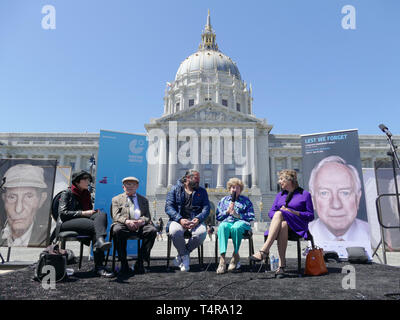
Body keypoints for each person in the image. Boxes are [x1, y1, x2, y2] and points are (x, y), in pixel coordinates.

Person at [250, 170, 314, 278]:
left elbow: (310, 215)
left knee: (280, 213)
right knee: (283, 223)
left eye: (281, 179)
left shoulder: (305, 194)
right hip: (283, 226)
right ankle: (281, 266)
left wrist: (292, 212)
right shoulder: (280, 195)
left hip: (297, 226)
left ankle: (264, 250)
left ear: (290, 180)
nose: (279, 182)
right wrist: (280, 214)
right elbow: (270, 212)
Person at [58, 170, 113, 277]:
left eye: (88, 179)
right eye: (85, 179)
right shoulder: (67, 193)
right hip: (66, 222)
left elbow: (89, 211)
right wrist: (83, 213)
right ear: (77, 182)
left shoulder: (86, 193)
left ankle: (100, 241)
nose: (88, 182)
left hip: (82, 220)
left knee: (102, 215)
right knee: (95, 227)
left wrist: (91, 213)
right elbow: (63, 214)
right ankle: (99, 266)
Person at [308, 156, 371, 245]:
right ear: (313, 199)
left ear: (358, 197)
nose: (336, 205)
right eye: (324, 193)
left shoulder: (372, 234)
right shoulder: (307, 231)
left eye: (345, 193)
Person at [165, 169, 210, 272]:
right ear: (188, 178)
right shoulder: (174, 189)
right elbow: (168, 207)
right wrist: (180, 219)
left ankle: (182, 255)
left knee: (202, 233)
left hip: (195, 221)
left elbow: (206, 208)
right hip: (177, 221)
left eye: (199, 178)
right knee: (175, 231)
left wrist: (198, 219)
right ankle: (185, 257)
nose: (199, 180)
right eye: (196, 178)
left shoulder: (202, 191)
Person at [111, 176, 157, 276]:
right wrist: (127, 221)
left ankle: (140, 262)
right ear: (123, 187)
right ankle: (124, 263)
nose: (130, 186)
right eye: (127, 184)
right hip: (123, 225)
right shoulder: (116, 199)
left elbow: (147, 216)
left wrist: (141, 221)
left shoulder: (143, 200)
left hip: (139, 225)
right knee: (117, 230)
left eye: (133, 184)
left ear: (137, 186)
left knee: (152, 231)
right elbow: (115, 216)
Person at [0, 164, 50, 247]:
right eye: (12, 197)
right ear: (4, 199)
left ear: (41, 200)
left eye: (28, 196)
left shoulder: (48, 235)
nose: (18, 209)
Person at [215, 178, 255, 274]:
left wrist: (238, 215)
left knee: (236, 227)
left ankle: (235, 255)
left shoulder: (246, 201)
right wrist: (227, 212)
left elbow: (251, 216)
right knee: (222, 226)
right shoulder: (224, 200)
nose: (234, 189)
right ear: (229, 189)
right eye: (233, 187)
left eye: (237, 188)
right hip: (227, 222)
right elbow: (218, 216)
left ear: (240, 190)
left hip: (242, 223)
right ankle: (222, 259)